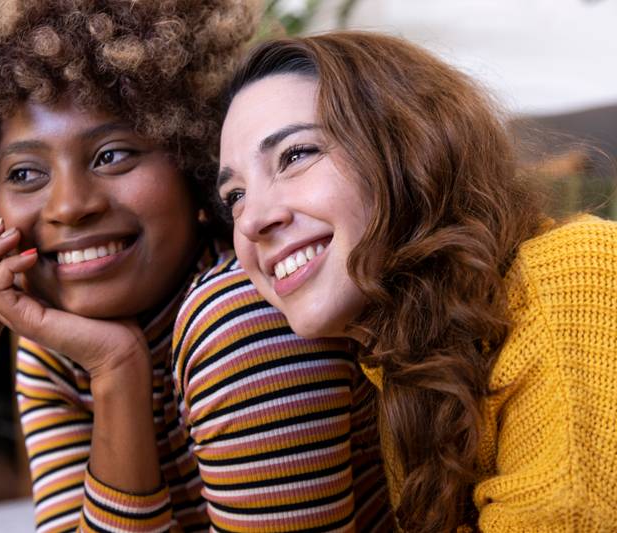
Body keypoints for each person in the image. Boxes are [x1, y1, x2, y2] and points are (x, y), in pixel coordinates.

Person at [0, 2, 391, 531]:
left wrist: (110, 369)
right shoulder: (56, 344)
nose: (69, 206)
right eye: (26, 173)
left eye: (111, 155)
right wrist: (114, 368)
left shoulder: (244, 312)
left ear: (194, 166)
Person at [215, 31, 617, 532]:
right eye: (234, 195)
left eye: (295, 155)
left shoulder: (573, 271)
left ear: (407, 147)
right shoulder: (402, 371)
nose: (251, 220)